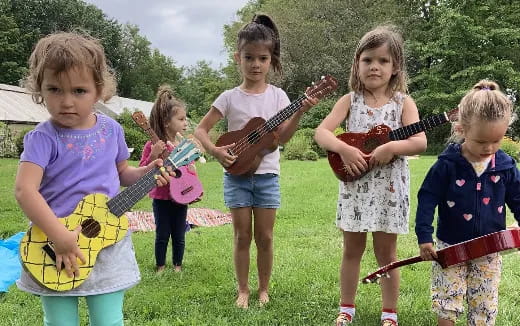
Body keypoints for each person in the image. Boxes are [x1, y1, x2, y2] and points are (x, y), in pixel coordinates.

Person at [14, 31, 171, 326]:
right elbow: (25, 190)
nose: (66, 101)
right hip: (55, 245)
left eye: (79, 91)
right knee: (60, 323)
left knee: (108, 321)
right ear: (39, 89)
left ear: (98, 90)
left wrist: (148, 172)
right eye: (54, 89)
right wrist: (59, 237)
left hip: (106, 242)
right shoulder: (42, 138)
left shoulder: (112, 130)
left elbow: (123, 174)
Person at [194, 14, 318, 309]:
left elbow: (283, 139)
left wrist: (300, 111)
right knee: (241, 236)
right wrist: (216, 151)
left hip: (267, 176)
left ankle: (263, 289)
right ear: (238, 57)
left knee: (264, 236)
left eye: (262, 58)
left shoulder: (279, 97)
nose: (255, 64)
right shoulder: (229, 97)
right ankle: (243, 289)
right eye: (249, 57)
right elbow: (200, 130)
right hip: (236, 176)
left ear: (270, 60)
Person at [314, 26, 427, 326]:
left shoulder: (405, 103)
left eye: (383, 61)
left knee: (387, 253)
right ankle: (346, 308)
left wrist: (391, 147)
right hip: (355, 189)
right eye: (367, 60)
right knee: (352, 250)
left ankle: (389, 314)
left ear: (395, 68)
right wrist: (344, 149)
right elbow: (321, 132)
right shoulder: (350, 101)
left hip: (389, 191)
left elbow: (420, 141)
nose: (374, 66)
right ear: (357, 64)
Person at [415, 80, 520, 326]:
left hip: (490, 248)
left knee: (484, 304)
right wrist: (424, 237)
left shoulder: (504, 166)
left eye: (497, 141)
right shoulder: (446, 165)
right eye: (482, 142)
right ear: (461, 129)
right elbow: (427, 198)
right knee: (447, 300)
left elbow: (517, 198)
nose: (490, 148)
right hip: (449, 245)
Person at [139, 85, 191, 273]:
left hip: (181, 196)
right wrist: (153, 155)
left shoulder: (183, 146)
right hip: (161, 198)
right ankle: (160, 266)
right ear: (167, 122)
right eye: (181, 119)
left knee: (179, 234)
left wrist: (193, 181)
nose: (186, 123)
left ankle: (178, 265)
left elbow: (190, 172)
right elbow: (141, 170)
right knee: (162, 234)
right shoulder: (151, 144)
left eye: (186, 119)